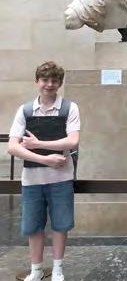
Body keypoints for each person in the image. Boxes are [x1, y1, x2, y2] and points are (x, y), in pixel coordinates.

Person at [7, 62, 81, 281]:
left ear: (60, 83)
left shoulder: (70, 108)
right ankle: (36, 270)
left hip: (61, 179)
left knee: (61, 224)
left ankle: (58, 269)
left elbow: (73, 141)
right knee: (33, 226)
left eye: (54, 80)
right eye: (45, 80)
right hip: (32, 180)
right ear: (37, 81)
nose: (49, 84)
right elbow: (12, 146)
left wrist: (38, 144)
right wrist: (45, 159)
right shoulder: (25, 110)